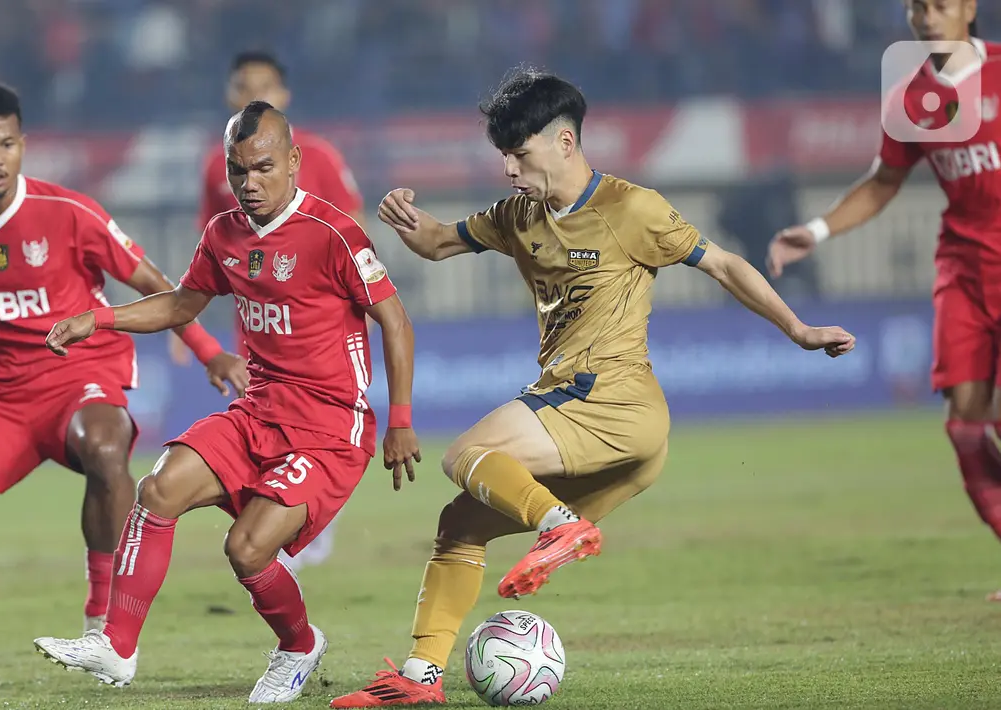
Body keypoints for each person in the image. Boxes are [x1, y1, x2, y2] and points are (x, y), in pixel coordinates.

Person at [331, 68, 856, 708]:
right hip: (612, 438)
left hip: (610, 403)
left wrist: (797, 329)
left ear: (566, 143)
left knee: (462, 455)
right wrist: (402, 218)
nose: (510, 170)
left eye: (520, 155)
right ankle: (419, 680)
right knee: (459, 525)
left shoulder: (631, 209)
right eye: (503, 156)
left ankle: (560, 526)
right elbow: (438, 244)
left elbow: (721, 263)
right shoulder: (517, 215)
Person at [33, 101, 421, 704]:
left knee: (245, 548)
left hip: (327, 429)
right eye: (238, 171)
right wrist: (97, 318)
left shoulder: (334, 233)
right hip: (258, 411)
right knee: (158, 487)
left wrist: (399, 421)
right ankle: (116, 646)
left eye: (263, 167)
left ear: (293, 161)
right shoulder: (224, 233)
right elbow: (180, 304)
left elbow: (395, 322)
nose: (250, 183)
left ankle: (297, 646)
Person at [0, 81, 249, 694]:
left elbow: (157, 283)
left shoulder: (69, 213)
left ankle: (103, 622)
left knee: (105, 448)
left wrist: (208, 353)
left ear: (23, 145)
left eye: (6, 144)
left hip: (84, 373)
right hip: (1, 396)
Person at [767, 1, 1001, 601]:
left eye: (940, 5)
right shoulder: (911, 99)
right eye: (916, 6)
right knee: (966, 429)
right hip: (965, 270)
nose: (926, 17)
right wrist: (815, 232)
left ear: (969, 9)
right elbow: (883, 182)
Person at [173, 50, 367, 573]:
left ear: (285, 96)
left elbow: (351, 224)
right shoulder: (219, 165)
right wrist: (183, 322)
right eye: (242, 86)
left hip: (316, 325)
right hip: (254, 328)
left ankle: (301, 511)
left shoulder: (317, 155)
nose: (252, 94)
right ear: (228, 95)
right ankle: (276, 513)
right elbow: (210, 245)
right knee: (262, 420)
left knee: (312, 420)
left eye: (264, 86)